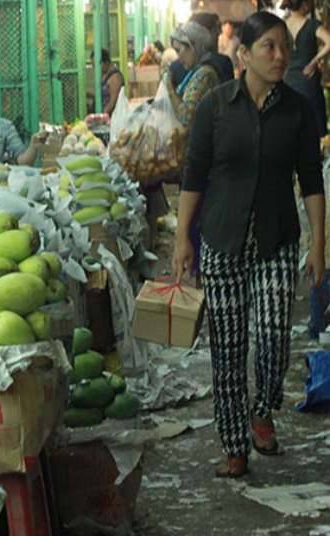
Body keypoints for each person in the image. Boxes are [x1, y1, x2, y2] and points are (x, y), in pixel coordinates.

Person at [172, 11, 325, 478]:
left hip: (277, 240)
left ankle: (263, 410)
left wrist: (320, 244)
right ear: (244, 54)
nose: (280, 56)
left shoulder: (297, 110)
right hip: (222, 239)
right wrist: (182, 238)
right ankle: (234, 446)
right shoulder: (215, 107)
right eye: (269, 47)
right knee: (229, 347)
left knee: (275, 339)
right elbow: (194, 175)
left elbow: (312, 180)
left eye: (284, 47)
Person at [166, 21, 225, 275]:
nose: (179, 57)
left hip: (204, 162)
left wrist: (168, 90)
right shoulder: (197, 72)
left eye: (181, 50)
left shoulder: (204, 75)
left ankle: (202, 283)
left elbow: (186, 116)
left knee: (196, 228)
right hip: (201, 159)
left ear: (195, 46)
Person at [282, 0, 330, 136]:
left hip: (288, 81)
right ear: (304, 4)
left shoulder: (282, 25)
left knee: (292, 129)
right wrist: (314, 62)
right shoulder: (312, 24)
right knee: (314, 126)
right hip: (308, 79)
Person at [96, 49, 124, 116]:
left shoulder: (115, 77)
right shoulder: (105, 75)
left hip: (113, 116)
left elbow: (112, 102)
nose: (95, 68)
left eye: (96, 65)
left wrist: (102, 115)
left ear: (106, 62)